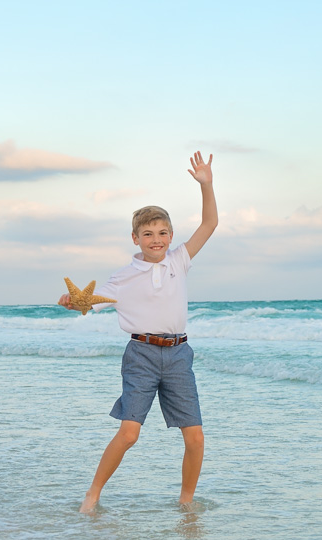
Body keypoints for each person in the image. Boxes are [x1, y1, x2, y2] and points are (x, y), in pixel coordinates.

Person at [60, 151, 217, 512]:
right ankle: (93, 494)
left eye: (162, 233)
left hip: (179, 355)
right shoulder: (122, 278)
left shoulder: (180, 259)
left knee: (195, 437)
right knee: (129, 433)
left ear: (172, 235)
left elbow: (209, 224)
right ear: (135, 238)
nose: (156, 240)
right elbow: (86, 301)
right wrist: (69, 300)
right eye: (148, 234)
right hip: (141, 356)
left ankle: (186, 502)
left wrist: (207, 185)